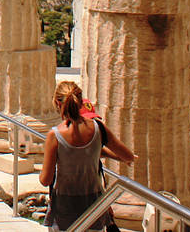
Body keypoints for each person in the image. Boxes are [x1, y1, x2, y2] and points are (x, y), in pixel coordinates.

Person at [39, 81, 136, 230]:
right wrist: (119, 157)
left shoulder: (55, 135)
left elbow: (45, 180)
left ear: (58, 104)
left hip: (65, 205)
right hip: (94, 203)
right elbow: (128, 156)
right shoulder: (98, 128)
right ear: (80, 103)